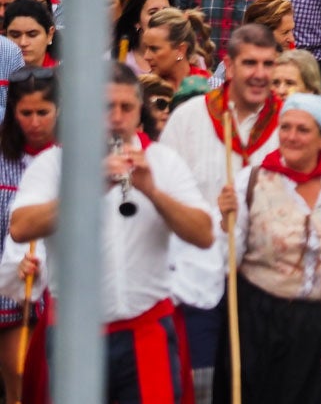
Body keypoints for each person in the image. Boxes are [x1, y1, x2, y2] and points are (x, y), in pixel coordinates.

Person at [10, 64, 214, 403]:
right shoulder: (55, 163)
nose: (117, 117)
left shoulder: (163, 162)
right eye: (107, 107)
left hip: (146, 329)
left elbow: (204, 234)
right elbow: (20, 227)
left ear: (139, 114)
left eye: (127, 108)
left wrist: (153, 192)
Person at [159, 24, 283, 390]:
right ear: (228, 67)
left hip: (264, 282)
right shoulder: (189, 118)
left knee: (254, 385)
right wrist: (213, 214)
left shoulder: (289, 126)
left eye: (267, 63)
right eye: (249, 63)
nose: (259, 74)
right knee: (201, 384)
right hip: (200, 279)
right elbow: (163, 195)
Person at [216, 93, 321, 404]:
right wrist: (227, 223)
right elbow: (228, 259)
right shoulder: (251, 181)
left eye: (302, 130)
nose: (291, 137)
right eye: (285, 127)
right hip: (262, 322)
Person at [0, 67, 56, 401]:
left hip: (60, 294)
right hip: (9, 292)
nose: (35, 123)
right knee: (19, 383)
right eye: (26, 113)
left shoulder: (74, 156)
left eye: (43, 113)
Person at [3, 0, 55, 69]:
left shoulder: (67, 75)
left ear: (49, 35)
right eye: (15, 35)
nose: (23, 43)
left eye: (32, 35)